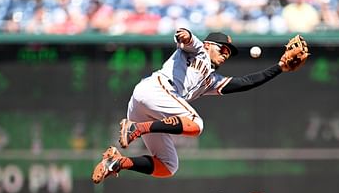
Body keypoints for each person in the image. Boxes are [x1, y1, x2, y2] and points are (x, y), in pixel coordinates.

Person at [92, 28, 301, 184]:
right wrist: (185, 35)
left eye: (230, 52)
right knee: (196, 124)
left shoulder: (211, 80)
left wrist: (279, 68)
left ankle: (116, 162)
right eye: (223, 48)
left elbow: (245, 83)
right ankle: (137, 128)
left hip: (147, 106)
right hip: (155, 90)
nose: (227, 53)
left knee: (168, 166)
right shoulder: (199, 50)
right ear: (209, 44)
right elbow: (187, 38)